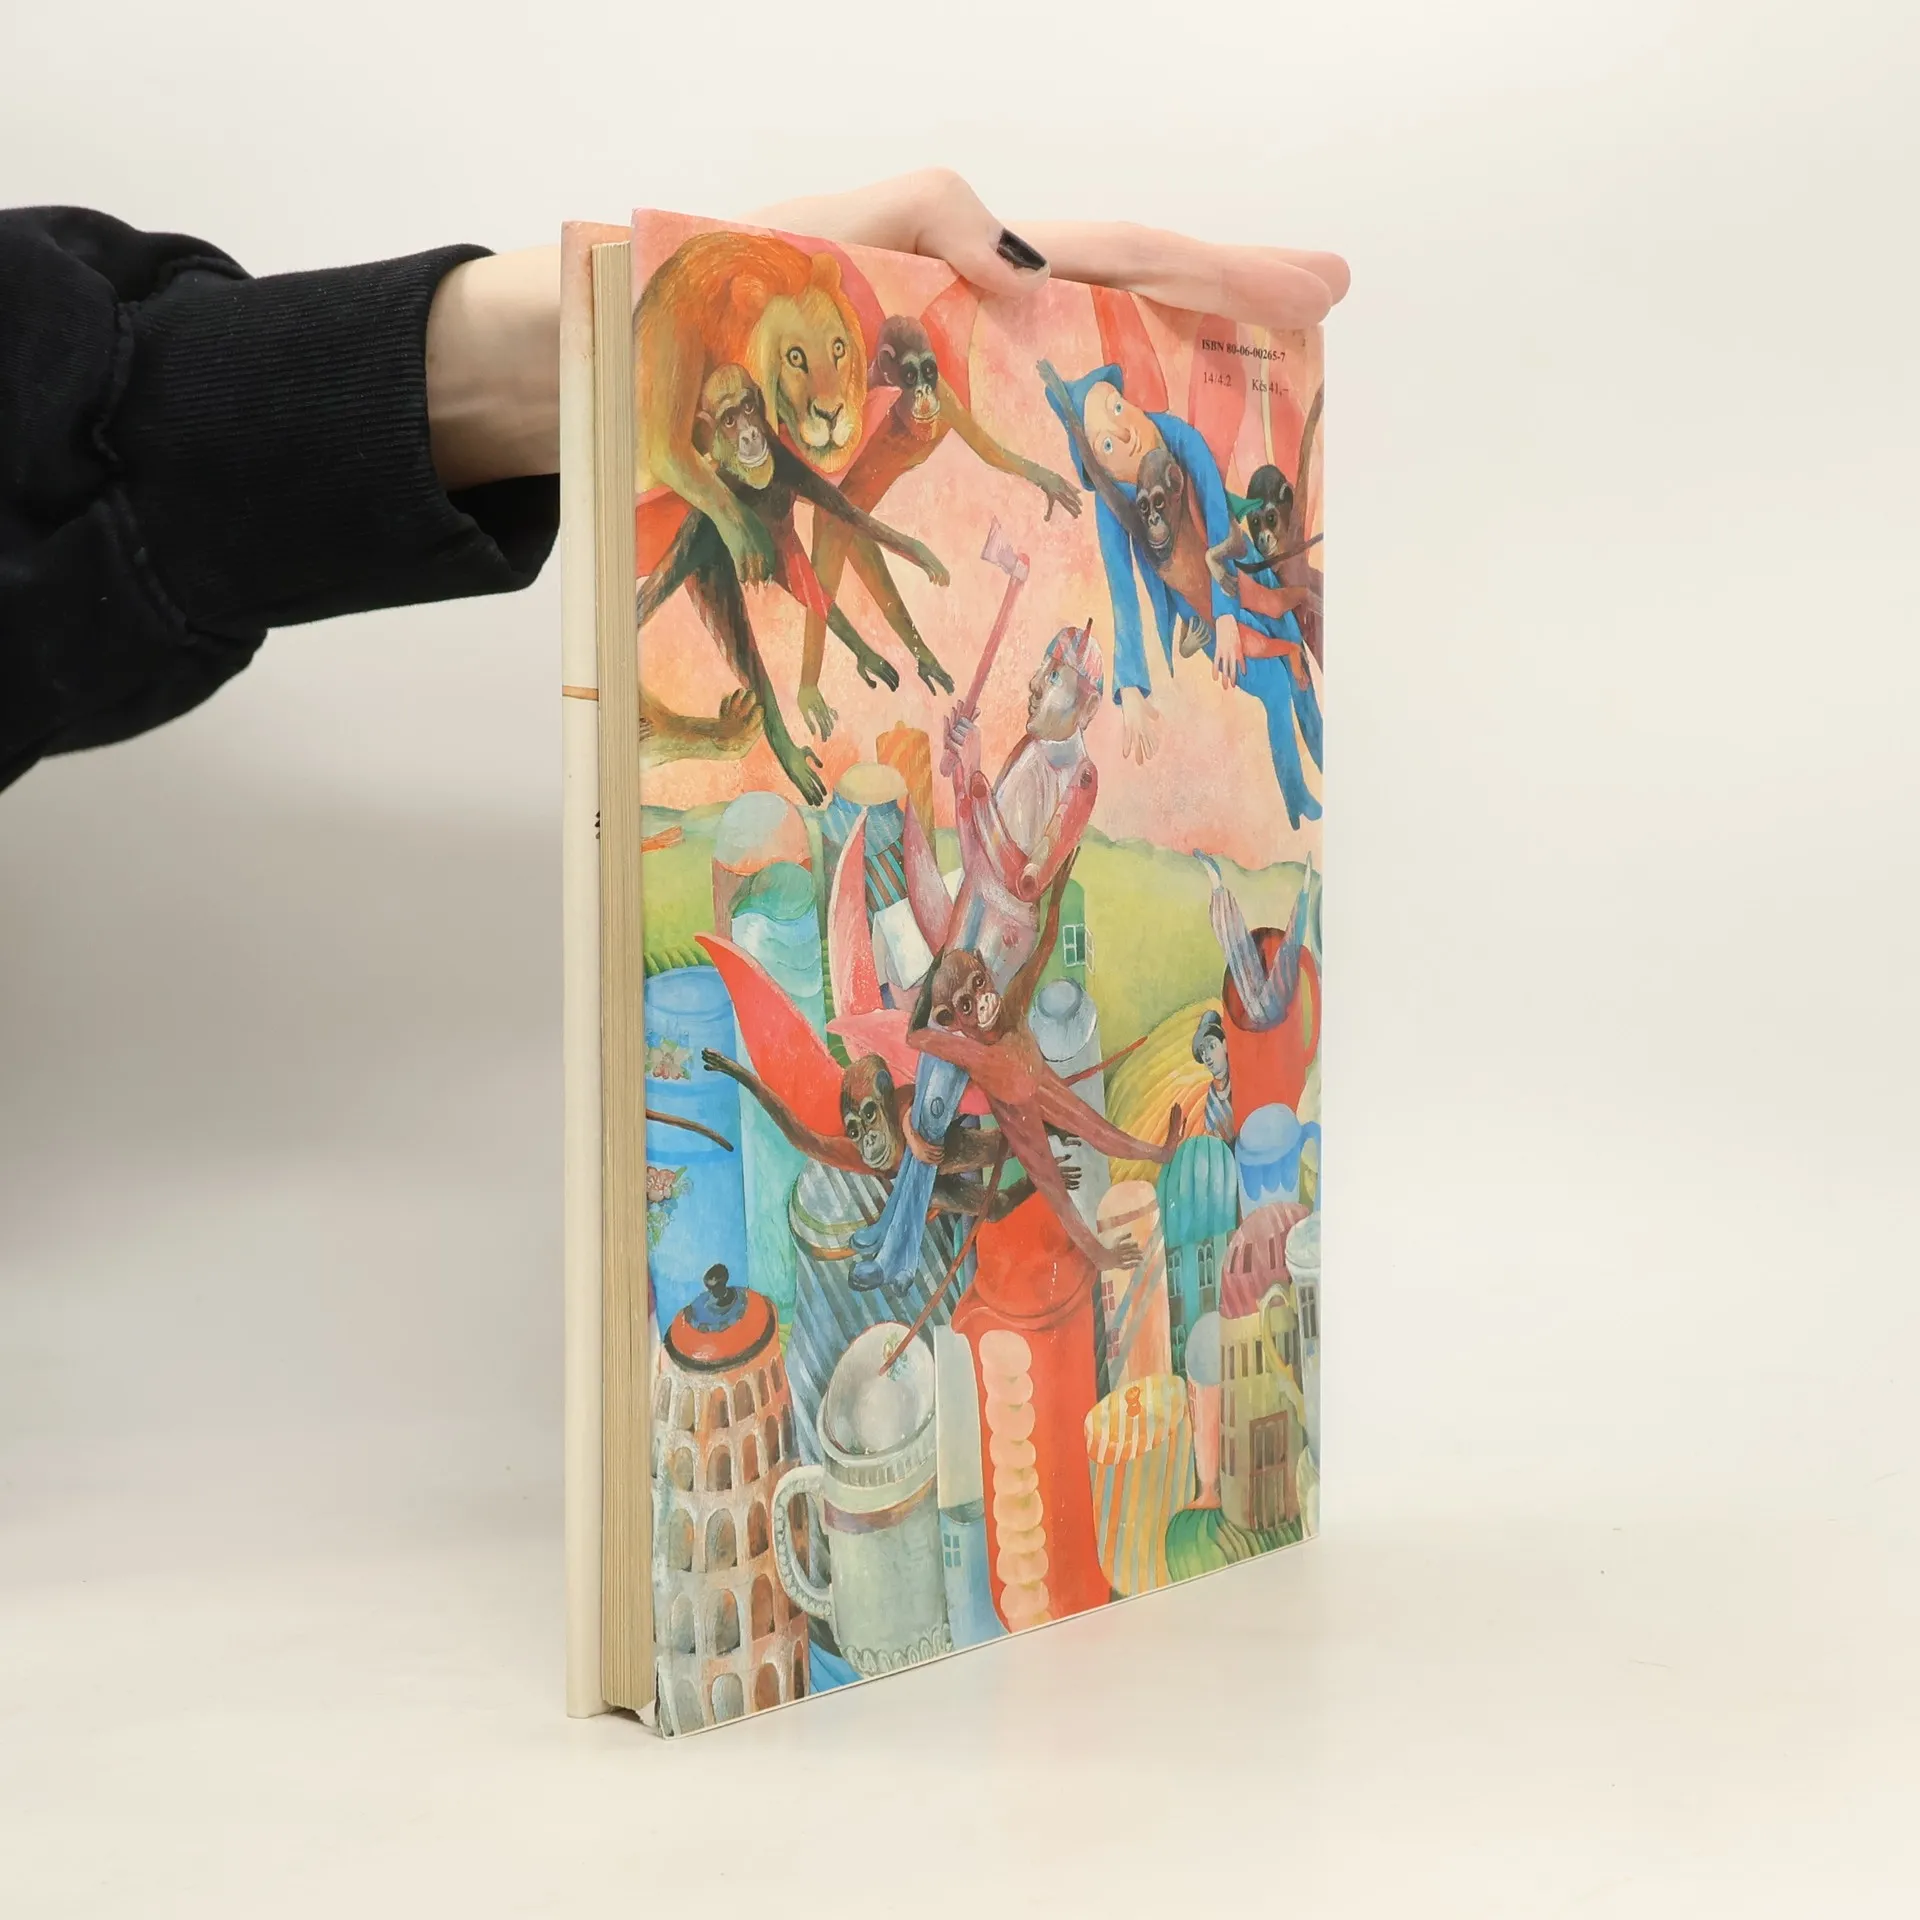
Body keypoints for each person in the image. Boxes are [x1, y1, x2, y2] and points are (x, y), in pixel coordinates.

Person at [1, 172, 1346, 794]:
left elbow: (865, 502)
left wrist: (607, 334)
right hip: (744, 522)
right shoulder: (780, 453)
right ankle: (804, 706)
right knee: (788, 621)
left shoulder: (909, 409)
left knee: (824, 592)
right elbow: (820, 510)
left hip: (793, 513)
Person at [852, 623, 1105, 1289]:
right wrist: (969, 778)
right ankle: (893, 1230)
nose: (1035, 683)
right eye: (1043, 669)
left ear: (1085, 704)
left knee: (937, 1097)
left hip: (997, 944)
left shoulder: (1079, 780)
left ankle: (900, 1254)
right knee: (931, 1082)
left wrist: (974, 779)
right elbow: (979, 854)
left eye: (1053, 676)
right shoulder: (1034, 746)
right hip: (974, 919)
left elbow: (1022, 879)